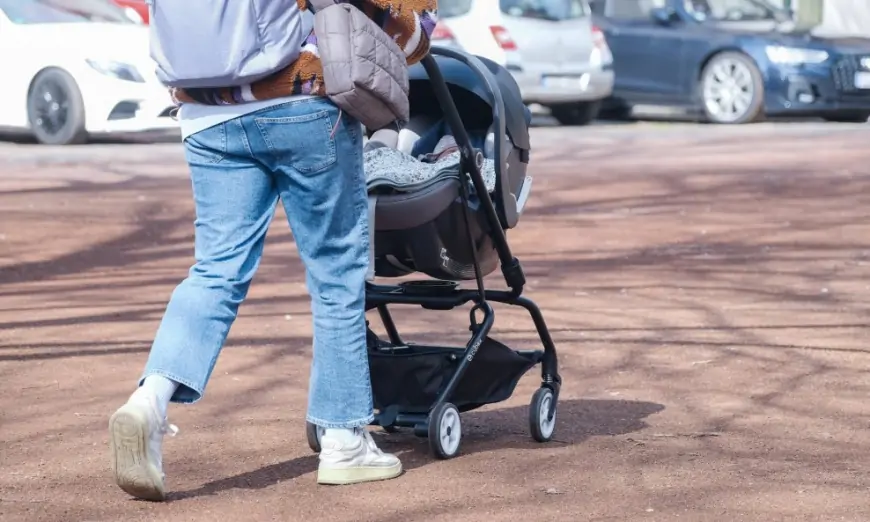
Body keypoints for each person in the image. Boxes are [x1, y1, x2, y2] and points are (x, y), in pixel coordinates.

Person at [108, 0, 438, 501]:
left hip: (205, 110)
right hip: (299, 103)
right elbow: (407, 27)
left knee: (215, 270)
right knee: (335, 273)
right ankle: (344, 439)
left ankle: (150, 399)